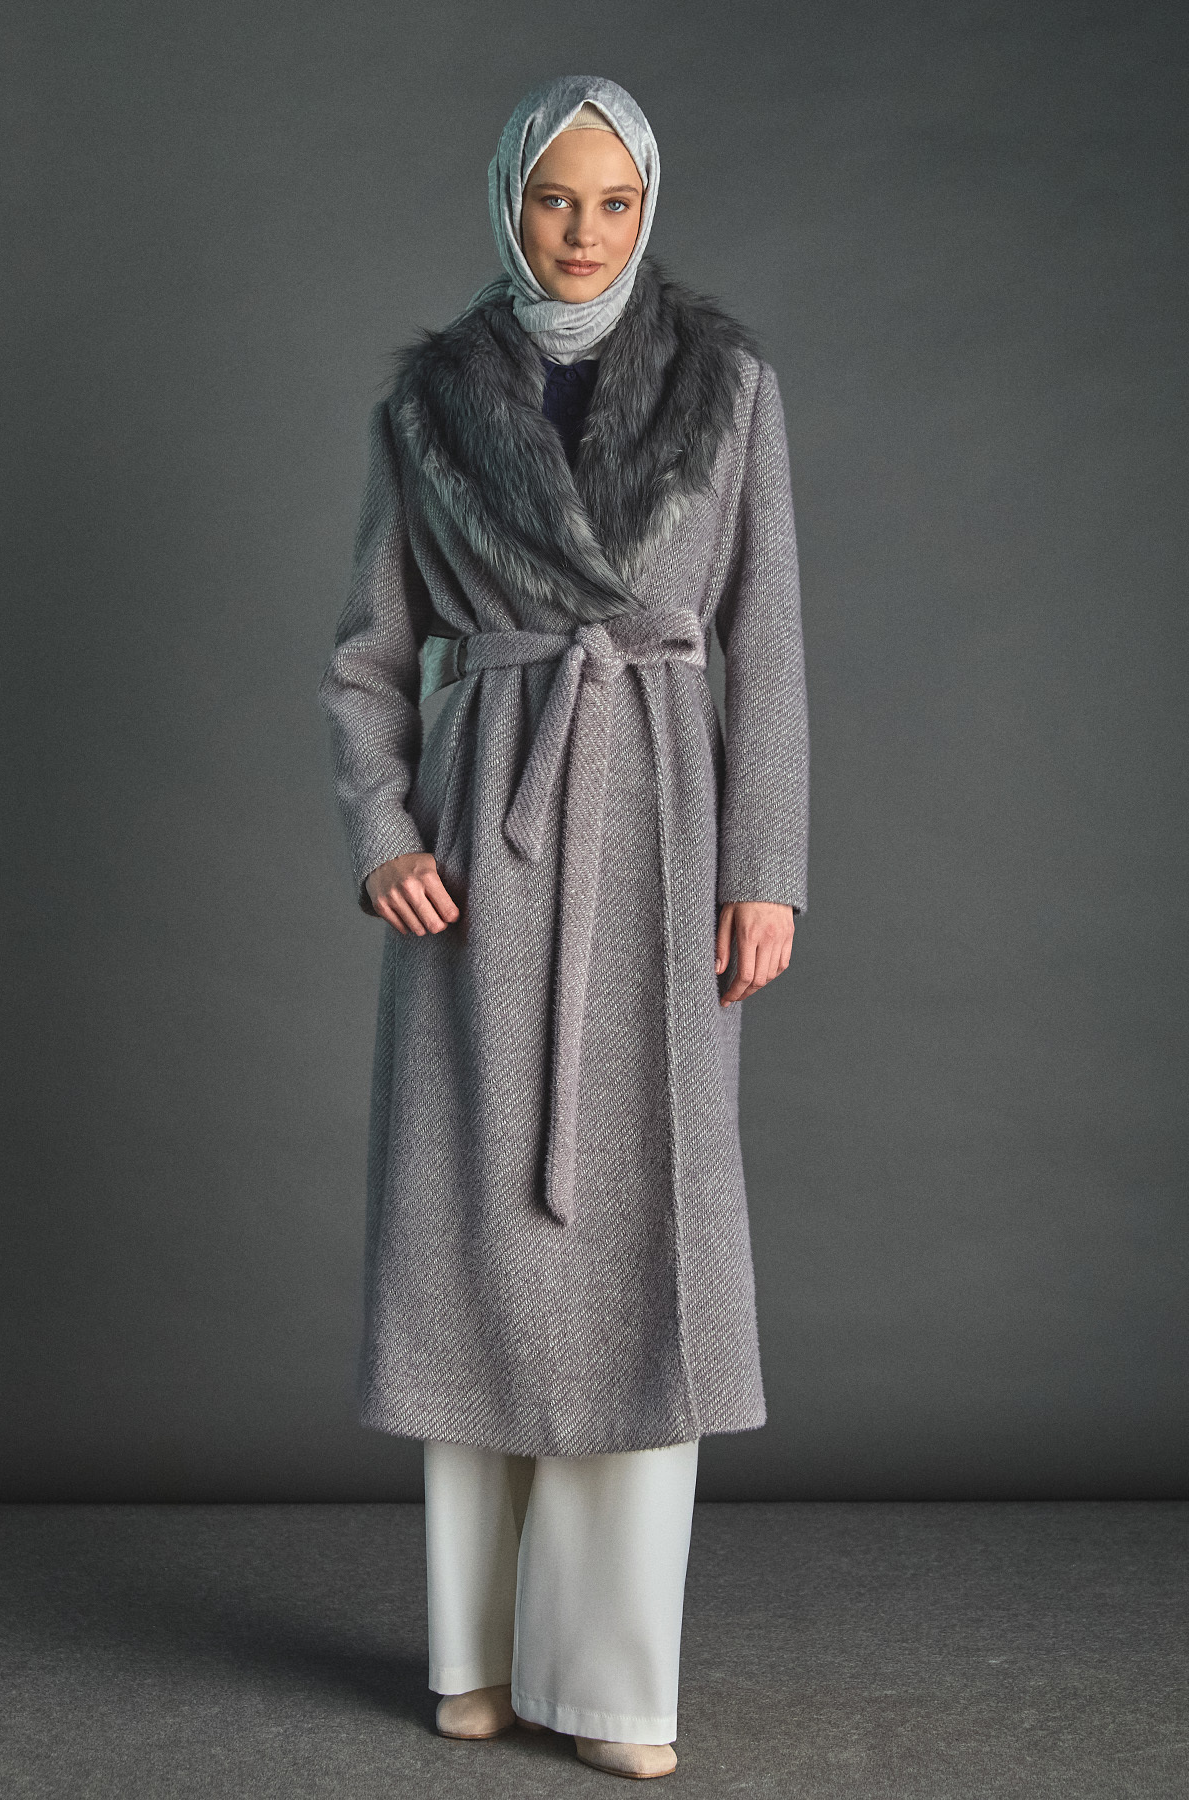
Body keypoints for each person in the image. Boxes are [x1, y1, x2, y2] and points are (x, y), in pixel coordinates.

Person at [318, 74, 808, 1781]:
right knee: (476, 1252)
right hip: (488, 852)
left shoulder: (728, 387)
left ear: (647, 206)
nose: (583, 232)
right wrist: (386, 835)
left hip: (660, 847)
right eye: (553, 199)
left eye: (612, 202)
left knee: (645, 1258)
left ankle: (606, 1686)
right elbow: (366, 659)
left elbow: (767, 639)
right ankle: (473, 1653)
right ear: (508, 201)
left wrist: (767, 866)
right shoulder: (431, 405)